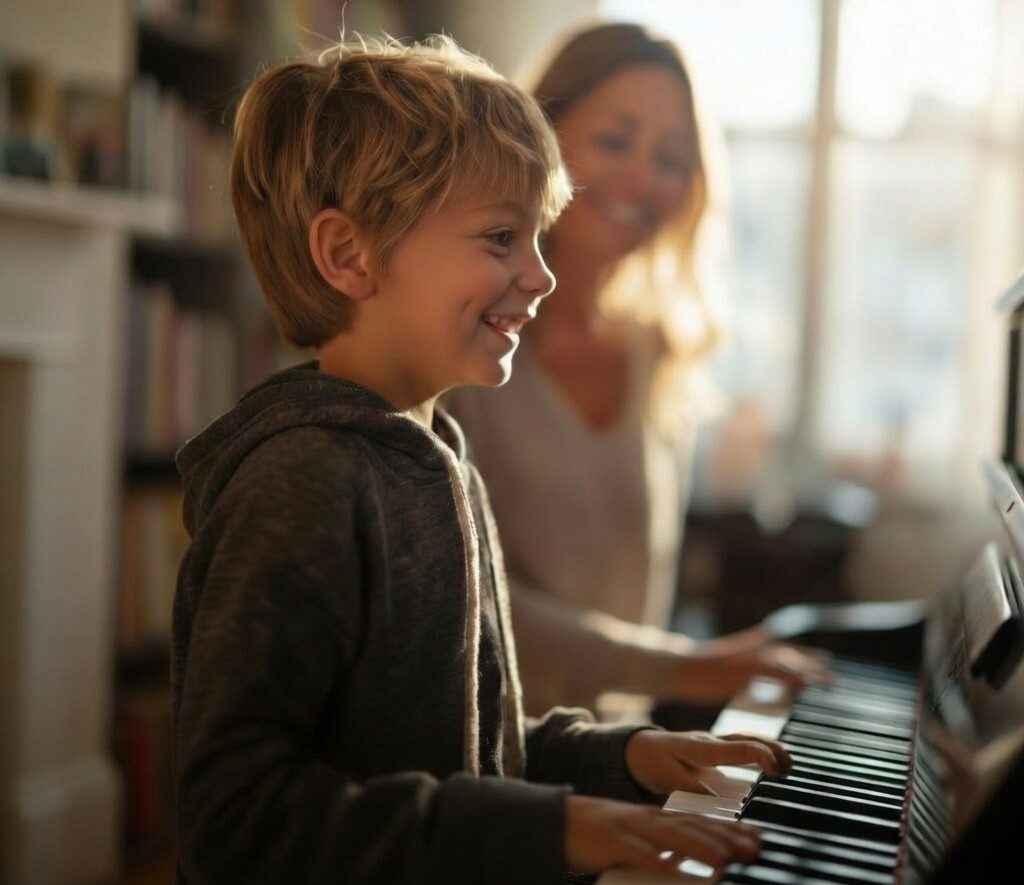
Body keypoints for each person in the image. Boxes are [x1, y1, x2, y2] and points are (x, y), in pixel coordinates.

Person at [171, 34, 791, 884]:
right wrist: (550, 826)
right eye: (503, 237)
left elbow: (474, 742)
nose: (540, 275)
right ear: (348, 254)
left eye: (537, 236)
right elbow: (234, 820)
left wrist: (626, 756)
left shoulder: (438, 460)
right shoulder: (301, 483)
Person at [446, 22, 828, 715]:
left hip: (622, 760)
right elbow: (467, 596)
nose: (644, 180)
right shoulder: (463, 342)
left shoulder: (659, 350)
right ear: (541, 139)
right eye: (616, 141)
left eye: (672, 157)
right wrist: (686, 668)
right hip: (492, 767)